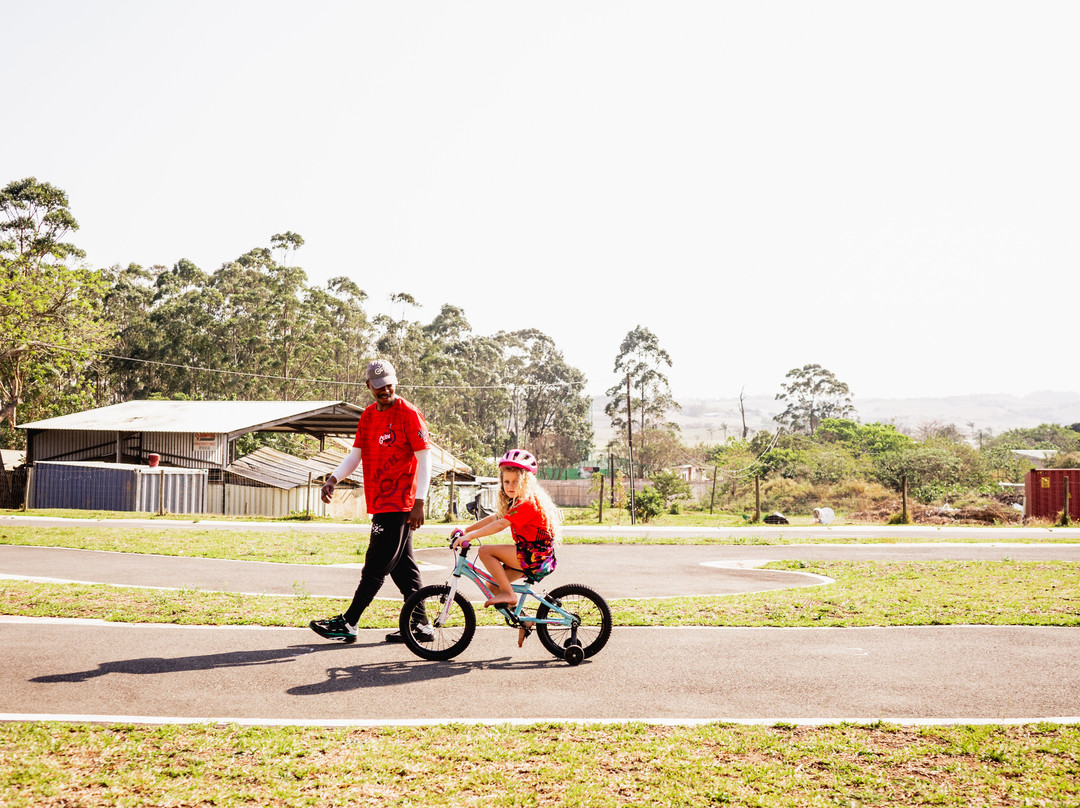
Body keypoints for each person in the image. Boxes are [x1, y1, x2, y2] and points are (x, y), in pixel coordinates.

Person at [309, 359, 434, 644]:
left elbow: (425, 459)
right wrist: (333, 478)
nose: (385, 390)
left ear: (395, 382)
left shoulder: (409, 414)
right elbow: (356, 454)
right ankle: (421, 626)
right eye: (378, 386)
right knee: (404, 568)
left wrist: (419, 502)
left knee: (375, 565)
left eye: (389, 384)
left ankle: (349, 622)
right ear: (369, 386)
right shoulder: (367, 416)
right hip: (380, 501)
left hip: (399, 503)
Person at [451, 449, 561, 610]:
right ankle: (524, 620)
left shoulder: (528, 503)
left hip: (534, 556)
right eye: (506, 481)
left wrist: (470, 537)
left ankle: (509, 594)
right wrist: (466, 529)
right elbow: (496, 517)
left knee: (485, 551)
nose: (510, 486)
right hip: (532, 555)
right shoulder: (517, 501)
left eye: (515, 481)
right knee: (493, 586)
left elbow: (500, 524)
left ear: (526, 482)